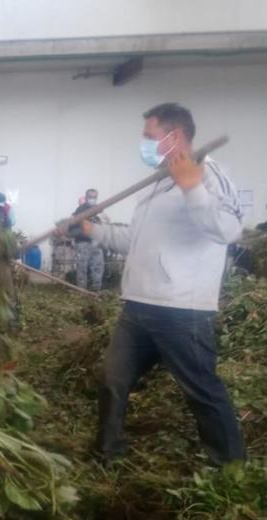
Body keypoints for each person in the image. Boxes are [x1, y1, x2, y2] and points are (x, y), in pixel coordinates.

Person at [81, 103, 244, 464]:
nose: (144, 143)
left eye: (149, 136)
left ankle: (231, 468)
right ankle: (108, 454)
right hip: (138, 305)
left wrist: (193, 188)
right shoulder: (157, 182)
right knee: (112, 378)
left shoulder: (208, 174)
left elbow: (229, 230)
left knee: (202, 390)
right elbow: (134, 240)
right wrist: (91, 232)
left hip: (181, 310)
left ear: (176, 136)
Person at [67, 188, 105, 291]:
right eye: (90, 197)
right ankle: (81, 290)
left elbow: (104, 223)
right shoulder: (80, 210)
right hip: (83, 242)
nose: (92, 199)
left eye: (94, 197)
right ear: (86, 197)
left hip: (96, 242)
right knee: (82, 266)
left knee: (98, 266)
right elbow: (73, 225)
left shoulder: (99, 210)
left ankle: (96, 290)